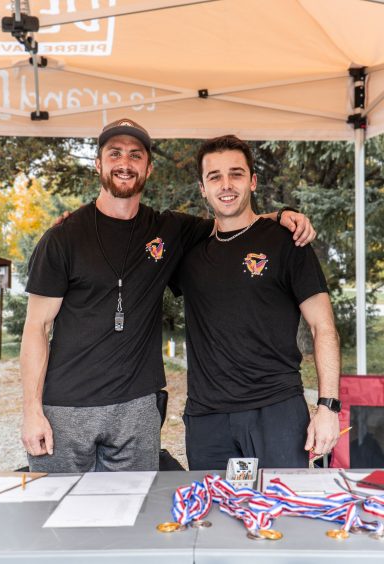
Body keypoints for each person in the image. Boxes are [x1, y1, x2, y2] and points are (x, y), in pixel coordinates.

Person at [20, 119, 315, 473]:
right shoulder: (63, 238)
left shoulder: (170, 230)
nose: (124, 163)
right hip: (66, 409)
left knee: (135, 519)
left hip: (137, 410)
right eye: (114, 154)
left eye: (135, 155)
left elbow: (234, 218)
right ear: (98, 164)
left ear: (148, 167)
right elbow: (36, 327)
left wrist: (281, 216)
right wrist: (31, 410)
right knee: (57, 519)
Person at [171, 135, 341, 470]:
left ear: (253, 180)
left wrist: (328, 407)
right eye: (214, 177)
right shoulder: (188, 252)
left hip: (276, 412)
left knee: (282, 517)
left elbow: (324, 328)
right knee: (214, 518)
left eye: (235, 174)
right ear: (203, 188)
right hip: (207, 419)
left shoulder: (289, 241)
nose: (226, 185)